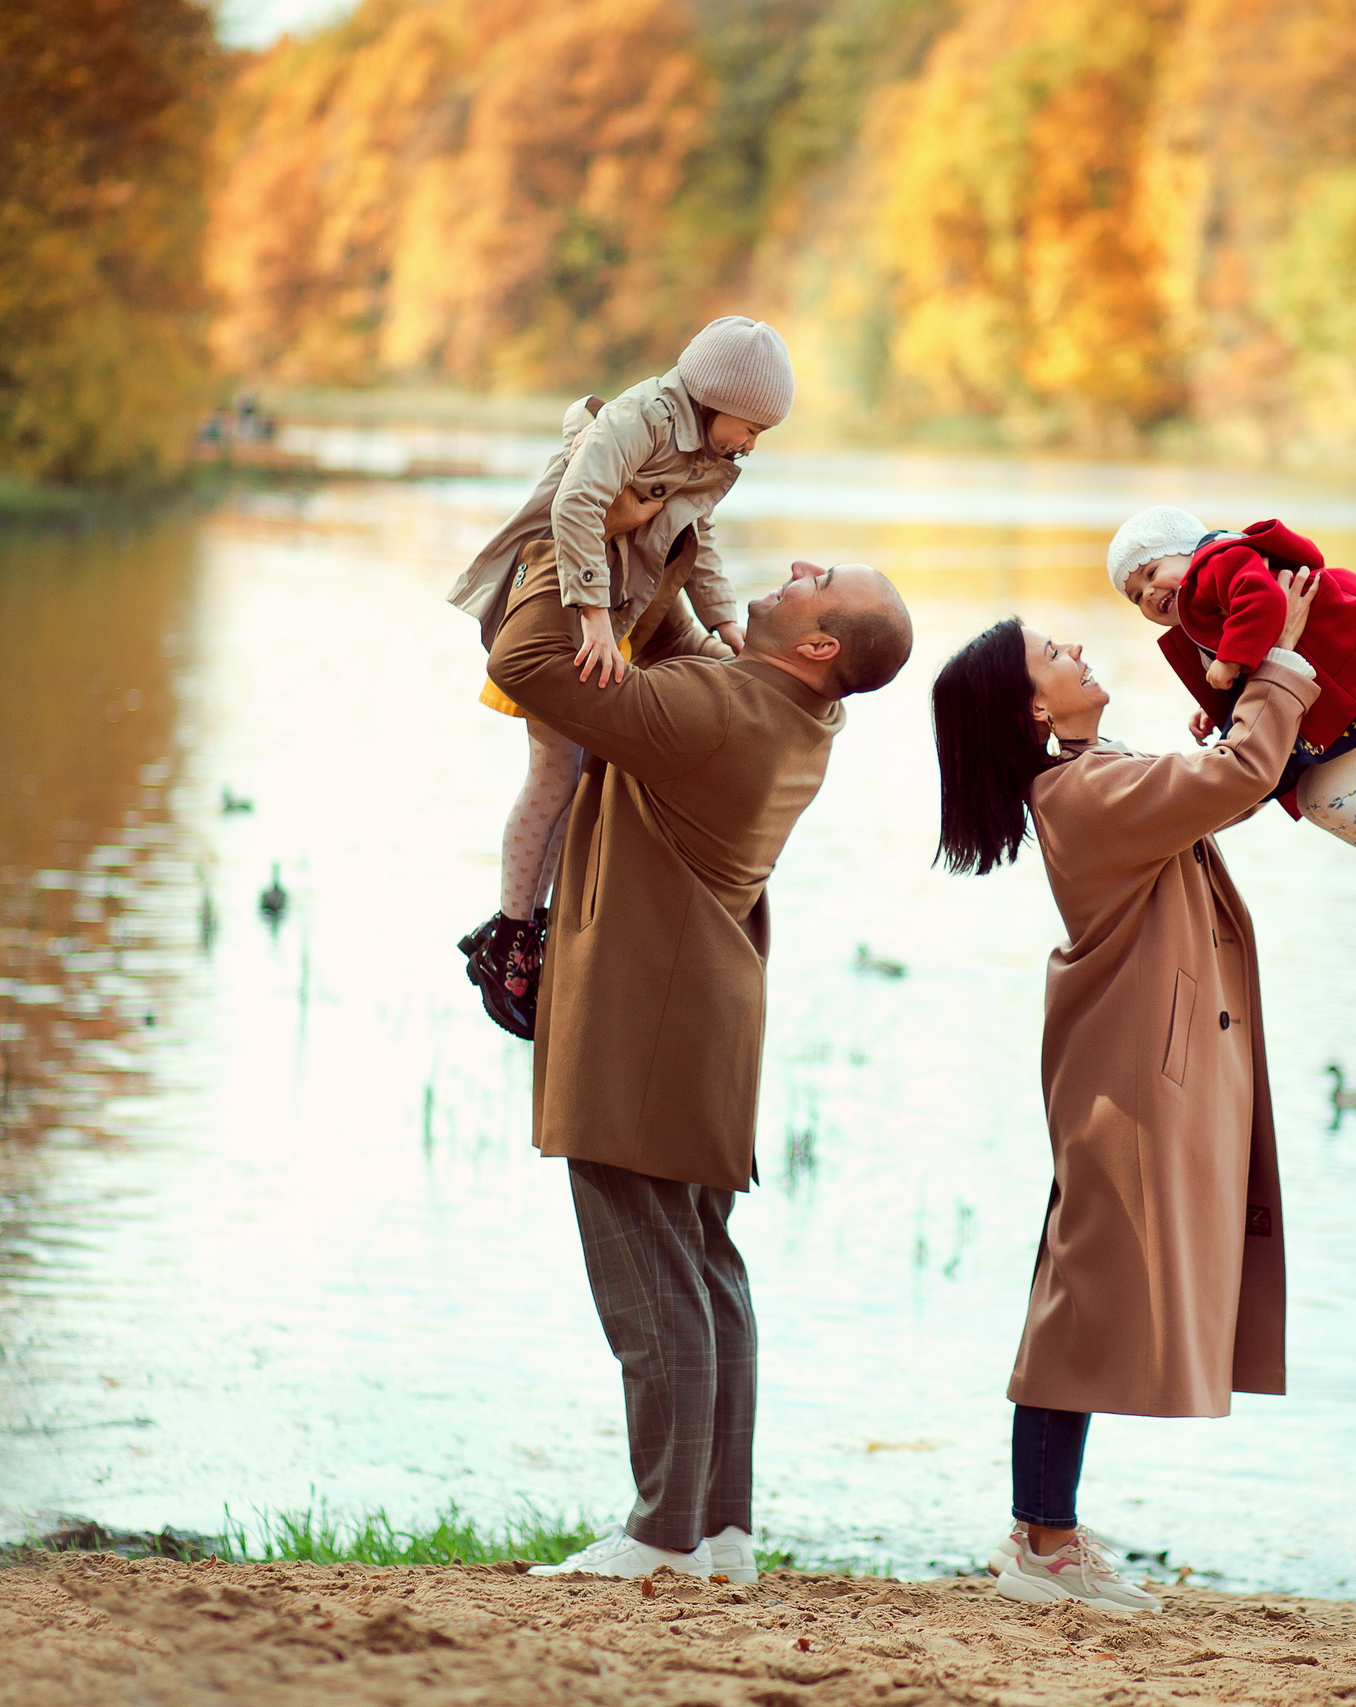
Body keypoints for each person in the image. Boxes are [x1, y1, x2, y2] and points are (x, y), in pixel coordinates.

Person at [486, 545, 913, 1581]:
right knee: (704, 1266)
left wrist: (570, 547)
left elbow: (530, 658)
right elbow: (671, 641)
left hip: (646, 1013)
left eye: (820, 579)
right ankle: (722, 1529)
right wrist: (663, 537)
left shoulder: (718, 718)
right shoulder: (790, 708)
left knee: (650, 1274)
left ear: (816, 644)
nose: (800, 563)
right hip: (704, 1013)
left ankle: (662, 1533)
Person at [927, 569, 1318, 1615]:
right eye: (1055, 656)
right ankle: (1041, 1546)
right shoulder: (1085, 792)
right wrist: (1282, 662)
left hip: (1135, 1063)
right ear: (1033, 710)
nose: (1078, 654)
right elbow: (1234, 778)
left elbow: (1209, 773)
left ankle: (1046, 1536)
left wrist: (1246, 688)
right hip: (1127, 1078)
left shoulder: (1091, 776)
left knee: (1082, 1294)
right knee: (1076, 1300)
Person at [449, 316, 796, 1037]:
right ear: (715, 395)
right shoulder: (643, 419)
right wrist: (592, 616)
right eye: (752, 425)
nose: (753, 443)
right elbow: (577, 503)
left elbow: (696, 547)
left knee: (579, 779)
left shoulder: (710, 457)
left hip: (634, 601)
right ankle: (510, 934)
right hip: (566, 593)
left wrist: (730, 629)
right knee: (555, 770)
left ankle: (543, 922)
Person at [1108, 505, 1356, 933]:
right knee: (1315, 798)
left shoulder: (1218, 562)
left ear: (1186, 551)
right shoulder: (1202, 604)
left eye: (1151, 572)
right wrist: (1219, 701)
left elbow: (1262, 603)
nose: (1148, 594)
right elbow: (1255, 650)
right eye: (1136, 596)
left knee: (1317, 798)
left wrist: (1228, 663)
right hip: (1346, 697)